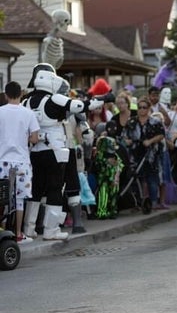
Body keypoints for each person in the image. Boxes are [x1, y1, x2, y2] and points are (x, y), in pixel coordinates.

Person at [22, 64, 105, 240]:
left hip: (33, 150)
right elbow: (78, 105)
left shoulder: (26, 101)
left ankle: (29, 230)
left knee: (35, 190)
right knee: (54, 189)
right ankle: (51, 230)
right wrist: (99, 100)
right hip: (54, 149)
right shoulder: (54, 99)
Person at [0, 81, 40, 243]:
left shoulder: (0, 112)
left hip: (2, 160)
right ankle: (18, 233)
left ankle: (1, 231)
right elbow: (35, 138)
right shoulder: (28, 113)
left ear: (5, 95)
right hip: (22, 161)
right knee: (20, 198)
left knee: (1, 196)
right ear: (21, 94)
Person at [121, 96, 165, 214]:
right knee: (135, 178)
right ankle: (138, 203)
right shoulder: (131, 122)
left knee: (152, 179)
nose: (141, 110)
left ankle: (153, 202)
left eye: (144, 107)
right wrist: (127, 140)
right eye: (139, 107)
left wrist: (150, 141)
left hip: (150, 155)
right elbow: (124, 135)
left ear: (148, 108)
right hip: (134, 155)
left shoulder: (155, 122)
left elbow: (161, 135)